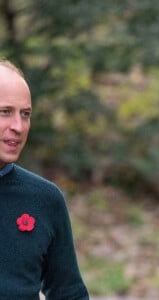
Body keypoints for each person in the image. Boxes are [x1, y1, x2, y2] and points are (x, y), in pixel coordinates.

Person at [0, 59, 89, 299]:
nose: (18, 126)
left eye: (25, 114)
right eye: (5, 112)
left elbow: (68, 292)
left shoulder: (45, 199)